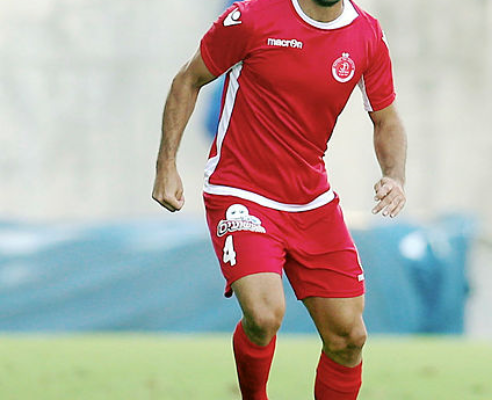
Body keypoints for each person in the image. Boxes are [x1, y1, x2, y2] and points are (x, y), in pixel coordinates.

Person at [152, 0, 407, 398]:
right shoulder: (253, 16)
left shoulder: (366, 34)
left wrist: (394, 176)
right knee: (265, 313)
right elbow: (188, 79)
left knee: (349, 336)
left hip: (311, 201)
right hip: (240, 190)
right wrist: (166, 165)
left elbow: (386, 118)